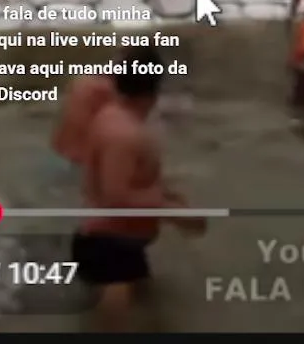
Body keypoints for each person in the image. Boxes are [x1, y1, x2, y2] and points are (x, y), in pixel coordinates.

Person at [71, 45, 206, 323]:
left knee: (148, 316)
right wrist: (171, 210)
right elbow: (115, 198)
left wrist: (167, 195)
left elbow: (126, 183)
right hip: (110, 251)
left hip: (114, 247)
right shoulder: (125, 134)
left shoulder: (111, 116)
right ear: (156, 89)